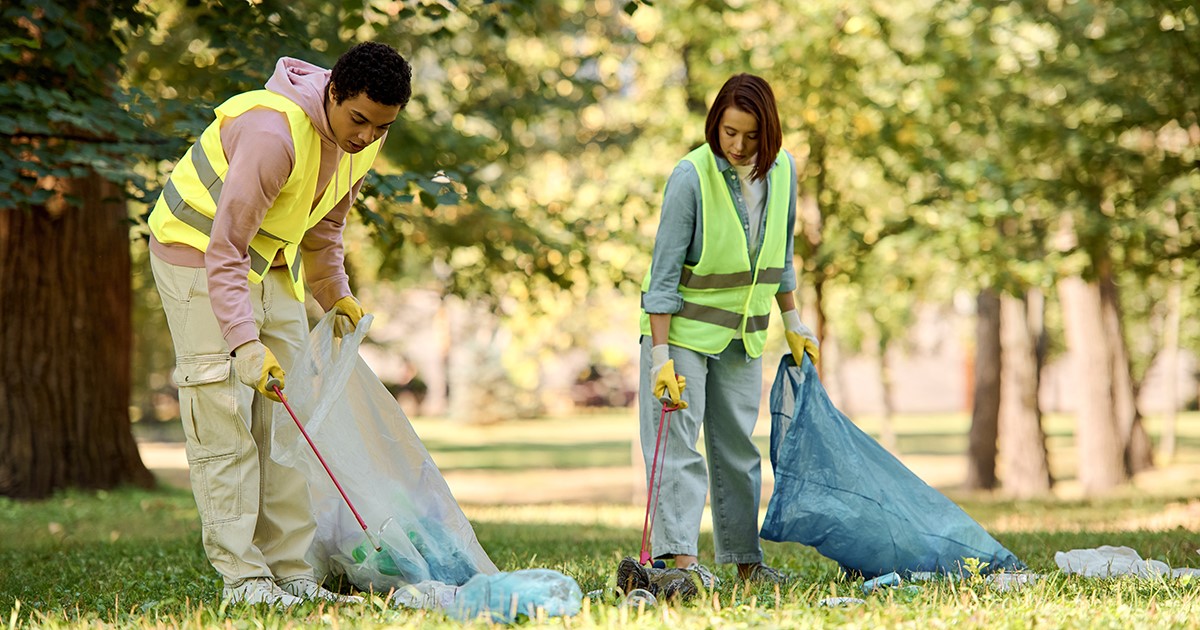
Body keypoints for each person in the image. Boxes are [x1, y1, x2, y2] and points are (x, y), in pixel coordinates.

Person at [147, 42, 411, 606]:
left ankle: (292, 572)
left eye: (380, 126)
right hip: (196, 254)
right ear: (332, 93)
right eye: (358, 119)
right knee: (224, 415)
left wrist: (334, 294)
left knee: (289, 420)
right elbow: (224, 248)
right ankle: (245, 580)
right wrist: (242, 344)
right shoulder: (274, 135)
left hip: (265, 260)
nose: (366, 135)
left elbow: (324, 229)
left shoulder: (363, 141)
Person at [632, 73, 819, 587]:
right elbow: (662, 277)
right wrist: (660, 357)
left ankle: (745, 562)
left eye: (751, 135)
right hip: (682, 335)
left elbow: (780, 258)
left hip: (744, 335)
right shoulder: (691, 176)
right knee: (678, 445)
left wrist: (794, 320)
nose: (737, 146)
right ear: (716, 125)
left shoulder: (784, 174)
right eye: (729, 132)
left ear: (770, 133)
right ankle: (681, 566)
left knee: (738, 449)